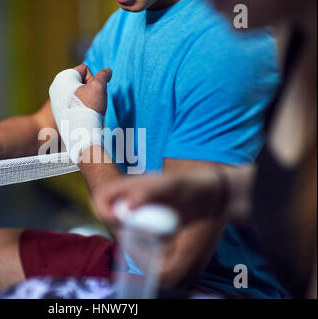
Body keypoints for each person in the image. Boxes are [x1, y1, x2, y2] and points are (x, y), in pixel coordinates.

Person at [0, 0, 283, 298]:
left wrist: (86, 141)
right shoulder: (125, 24)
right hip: (131, 260)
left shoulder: (225, 49)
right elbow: (43, 126)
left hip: (216, 286)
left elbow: (169, 265)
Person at [96, 0, 317, 298]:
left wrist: (84, 143)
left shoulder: (232, 48)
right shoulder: (301, 49)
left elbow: (169, 267)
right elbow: (286, 192)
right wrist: (214, 191)